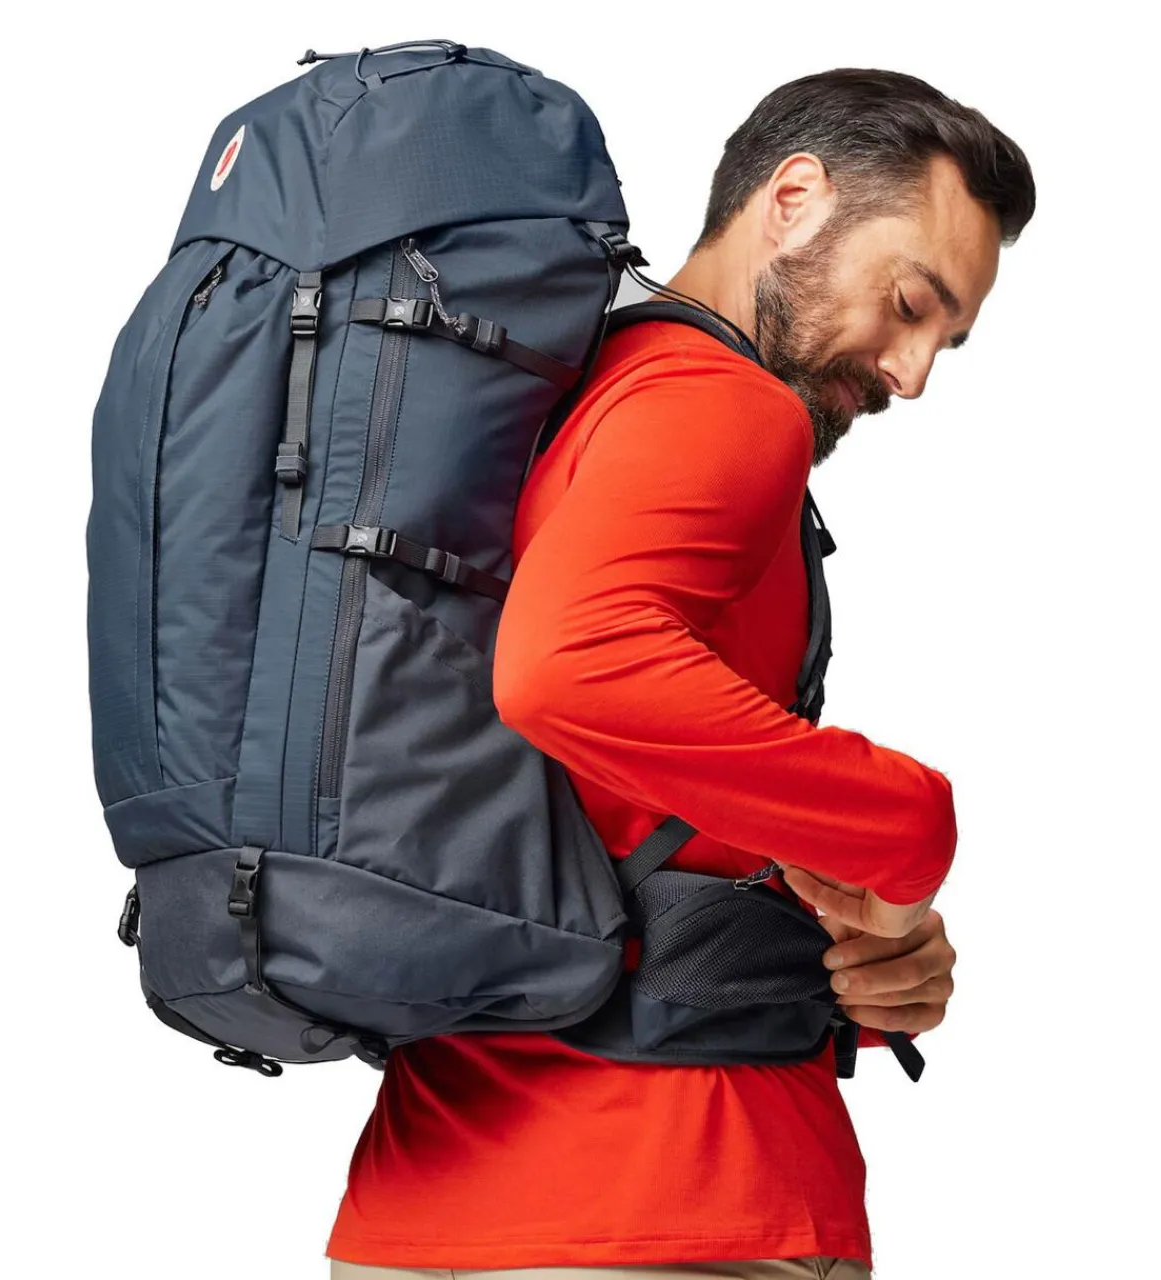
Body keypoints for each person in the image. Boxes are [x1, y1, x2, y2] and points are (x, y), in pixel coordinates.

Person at [328, 67, 1035, 1280]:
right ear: (793, 199)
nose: (912, 372)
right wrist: (903, 826)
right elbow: (566, 668)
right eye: (909, 302)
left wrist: (846, 938)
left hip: (425, 1193)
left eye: (945, 341)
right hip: (676, 1189)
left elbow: (586, 811)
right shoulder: (717, 402)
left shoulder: (561, 403)